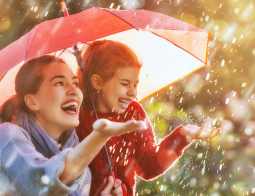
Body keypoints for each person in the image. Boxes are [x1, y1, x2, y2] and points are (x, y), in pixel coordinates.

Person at [76, 40, 221, 196]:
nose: (133, 93)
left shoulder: (133, 113)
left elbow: (147, 167)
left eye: (135, 84)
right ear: (98, 82)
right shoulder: (76, 118)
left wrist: (182, 136)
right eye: (125, 84)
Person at [0, 55, 147, 196]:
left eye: (76, 84)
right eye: (59, 83)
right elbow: (43, 184)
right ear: (32, 102)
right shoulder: (8, 135)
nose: (74, 91)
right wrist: (100, 136)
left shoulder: (80, 165)